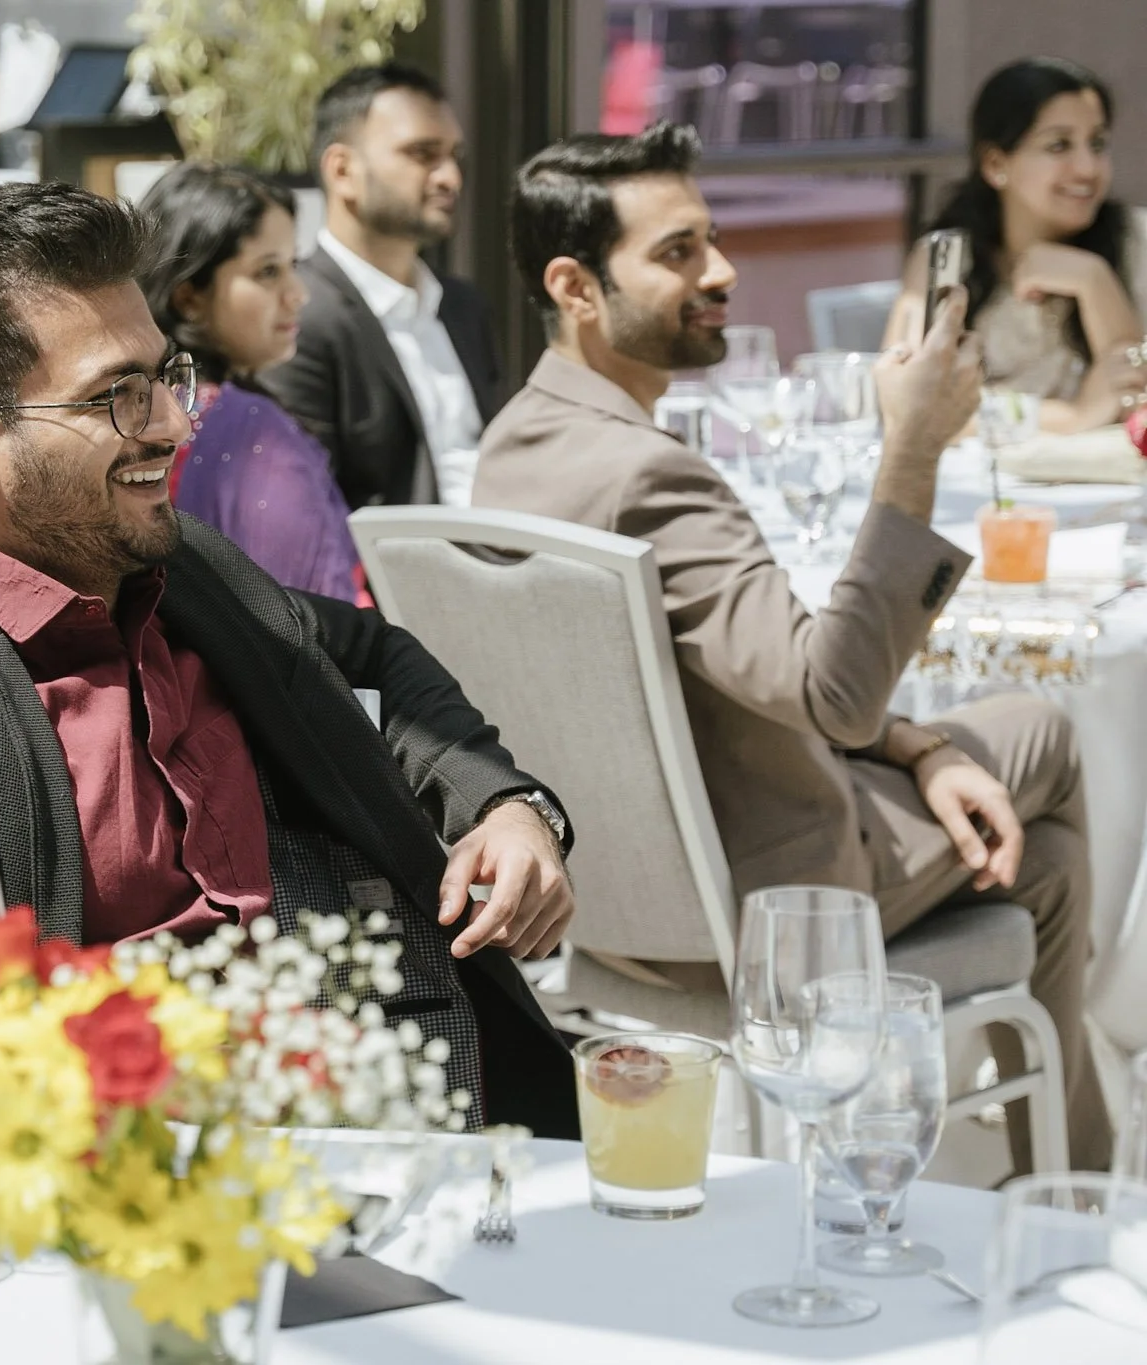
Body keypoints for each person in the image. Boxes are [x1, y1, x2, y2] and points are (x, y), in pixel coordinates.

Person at [0, 182, 580, 1147]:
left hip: (398, 1125)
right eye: (117, 395)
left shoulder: (191, 574)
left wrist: (504, 806)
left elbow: (375, 655)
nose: (173, 426)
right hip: (89, 1187)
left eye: (164, 377)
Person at [475, 122, 1110, 1171]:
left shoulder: (512, 448)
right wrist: (913, 446)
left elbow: (746, 675)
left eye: (712, 238)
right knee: (1041, 730)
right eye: (677, 251)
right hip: (769, 899)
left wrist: (918, 745)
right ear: (575, 287)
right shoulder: (650, 477)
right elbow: (834, 695)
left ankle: (1058, 1165)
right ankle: (1069, 1181)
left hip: (607, 905)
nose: (721, 270)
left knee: (1038, 862)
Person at [261, 64, 502, 510]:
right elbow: (303, 513)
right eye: (422, 154)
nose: (450, 178)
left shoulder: (463, 307)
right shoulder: (299, 316)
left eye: (455, 156)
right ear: (342, 170)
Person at [136, 163, 365, 603]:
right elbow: (311, 617)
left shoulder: (133, 414)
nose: (298, 294)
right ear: (190, 296)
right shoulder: (253, 432)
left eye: (292, 265)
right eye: (267, 272)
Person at [887, 57, 1147, 433]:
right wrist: (1071, 417)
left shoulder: (1136, 239)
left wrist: (1094, 280)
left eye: (1097, 143)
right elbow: (906, 402)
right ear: (995, 164)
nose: (1088, 168)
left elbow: (1136, 402)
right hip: (981, 470)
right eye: (1059, 145)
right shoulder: (947, 257)